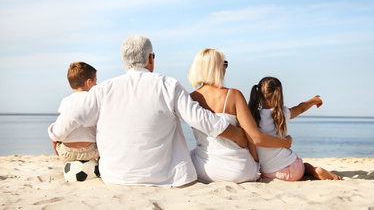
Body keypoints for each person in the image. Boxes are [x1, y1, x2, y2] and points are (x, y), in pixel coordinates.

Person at [48, 35, 247, 187]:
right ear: (150, 58)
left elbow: (72, 116)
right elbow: (201, 119)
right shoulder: (169, 85)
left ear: (124, 62)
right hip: (166, 177)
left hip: (116, 177)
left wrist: (54, 135)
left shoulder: (103, 90)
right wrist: (237, 134)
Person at [187, 48, 292, 183]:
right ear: (215, 68)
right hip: (237, 170)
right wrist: (285, 142)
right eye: (224, 64)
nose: (225, 69)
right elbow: (255, 138)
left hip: (203, 170)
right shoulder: (233, 95)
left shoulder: (190, 99)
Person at [248, 76, 341, 181]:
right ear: (279, 94)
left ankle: (309, 176)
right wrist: (313, 100)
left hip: (270, 173)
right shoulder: (282, 113)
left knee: (288, 173)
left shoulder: (252, 117)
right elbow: (300, 108)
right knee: (304, 166)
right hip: (294, 169)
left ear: (258, 93)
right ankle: (314, 171)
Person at [48, 62, 99, 162]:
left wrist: (56, 147)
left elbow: (63, 124)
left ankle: (66, 165)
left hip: (68, 152)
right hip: (91, 151)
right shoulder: (93, 100)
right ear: (89, 82)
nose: (96, 85)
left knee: (56, 127)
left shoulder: (65, 101)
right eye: (95, 82)